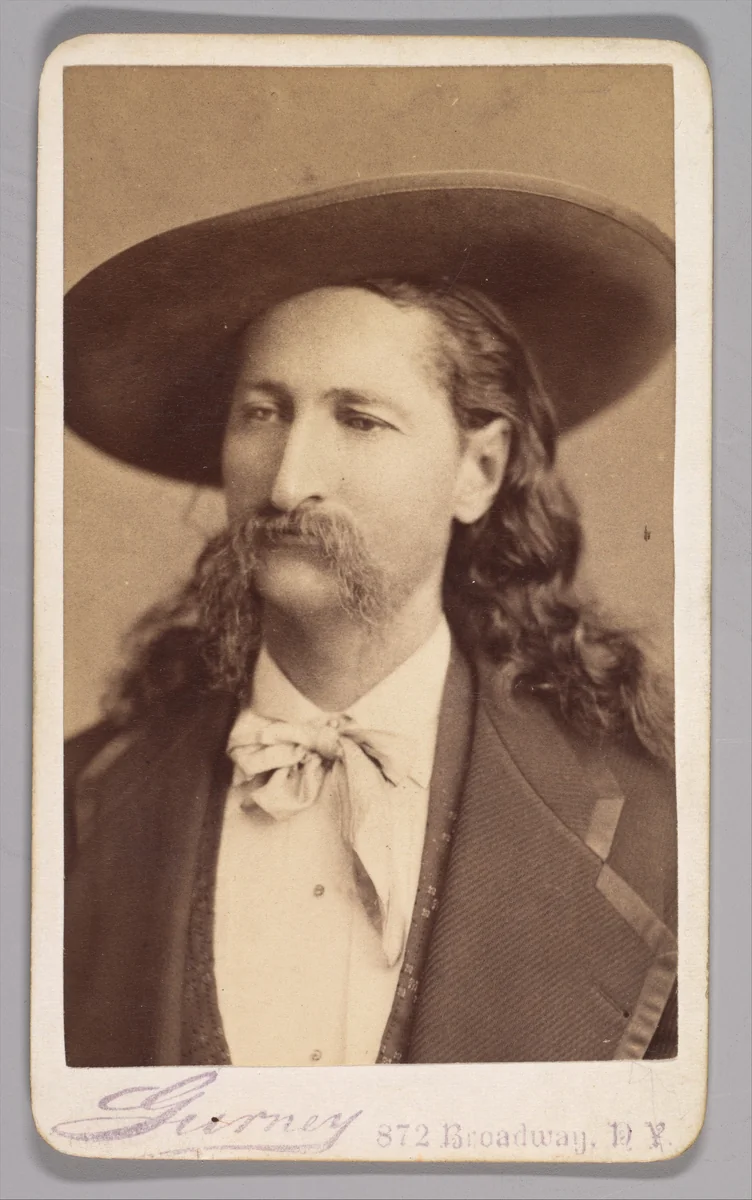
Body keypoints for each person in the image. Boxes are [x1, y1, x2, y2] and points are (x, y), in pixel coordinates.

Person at [63, 173, 677, 1067]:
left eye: (360, 420)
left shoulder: (666, 831)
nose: (287, 482)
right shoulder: (67, 809)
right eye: (262, 414)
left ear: (479, 469)